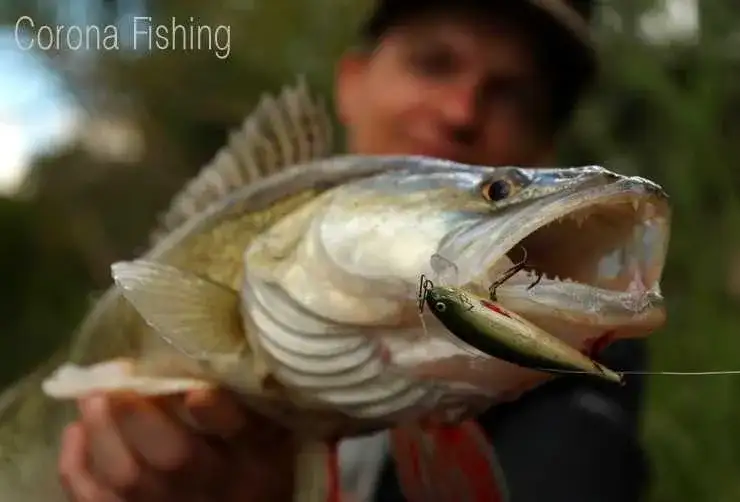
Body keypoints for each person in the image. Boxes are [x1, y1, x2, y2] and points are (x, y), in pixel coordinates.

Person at [58, 0, 650, 501]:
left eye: (513, 94)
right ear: (351, 82)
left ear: (544, 145)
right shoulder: (202, 263)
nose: (460, 111)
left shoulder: (575, 372)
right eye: (433, 62)